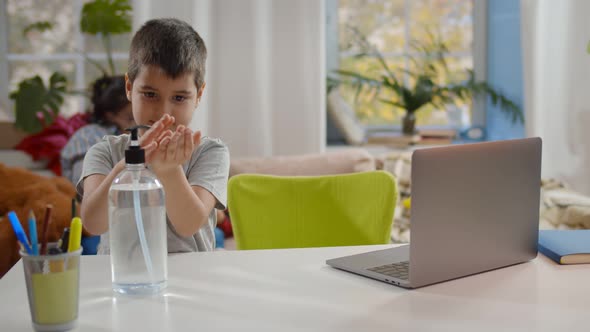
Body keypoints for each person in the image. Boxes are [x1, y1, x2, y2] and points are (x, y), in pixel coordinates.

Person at [78, 18, 230, 254]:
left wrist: (169, 171)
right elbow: (93, 223)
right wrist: (129, 165)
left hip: (190, 279)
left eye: (179, 98)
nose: (163, 112)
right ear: (129, 88)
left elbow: (189, 224)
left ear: (198, 95)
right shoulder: (105, 152)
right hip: (123, 280)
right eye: (150, 94)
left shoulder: (210, 152)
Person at [60, 75, 134, 185]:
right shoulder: (88, 137)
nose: (138, 123)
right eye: (130, 117)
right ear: (110, 115)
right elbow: (87, 189)